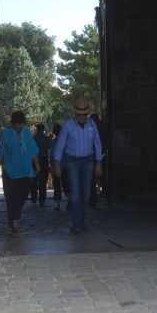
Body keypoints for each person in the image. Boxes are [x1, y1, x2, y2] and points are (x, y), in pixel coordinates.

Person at [51, 97, 103, 234]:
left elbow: (97, 143)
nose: (82, 117)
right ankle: (76, 222)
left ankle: (82, 222)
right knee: (75, 193)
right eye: (79, 114)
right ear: (75, 114)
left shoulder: (92, 125)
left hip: (88, 162)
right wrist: (56, 163)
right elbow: (60, 144)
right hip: (72, 161)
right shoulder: (68, 125)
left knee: (86, 194)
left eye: (84, 114)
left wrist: (99, 162)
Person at [0, 111, 38, 236]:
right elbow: (0, 152)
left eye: (21, 124)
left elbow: (32, 149)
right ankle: (13, 222)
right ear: (13, 123)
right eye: (17, 124)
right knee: (11, 197)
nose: (19, 126)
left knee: (23, 195)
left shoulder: (27, 132)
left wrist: (37, 163)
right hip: (10, 171)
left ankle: (15, 216)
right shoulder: (6, 134)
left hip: (25, 170)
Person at [89, 112, 112, 209]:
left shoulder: (90, 128)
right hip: (102, 155)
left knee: (91, 180)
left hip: (93, 156)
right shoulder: (104, 127)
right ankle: (109, 200)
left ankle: (93, 202)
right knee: (103, 179)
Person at [29, 123, 51, 206]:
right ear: (43, 129)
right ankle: (42, 200)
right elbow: (49, 150)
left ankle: (34, 198)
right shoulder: (47, 139)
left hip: (34, 160)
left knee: (34, 180)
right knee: (43, 182)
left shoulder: (33, 139)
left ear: (37, 129)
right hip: (44, 160)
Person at [49, 123, 69, 211]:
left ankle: (58, 205)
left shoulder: (53, 142)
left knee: (56, 185)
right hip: (65, 165)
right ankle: (69, 202)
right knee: (67, 184)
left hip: (56, 165)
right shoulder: (67, 142)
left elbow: (52, 155)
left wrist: (52, 165)